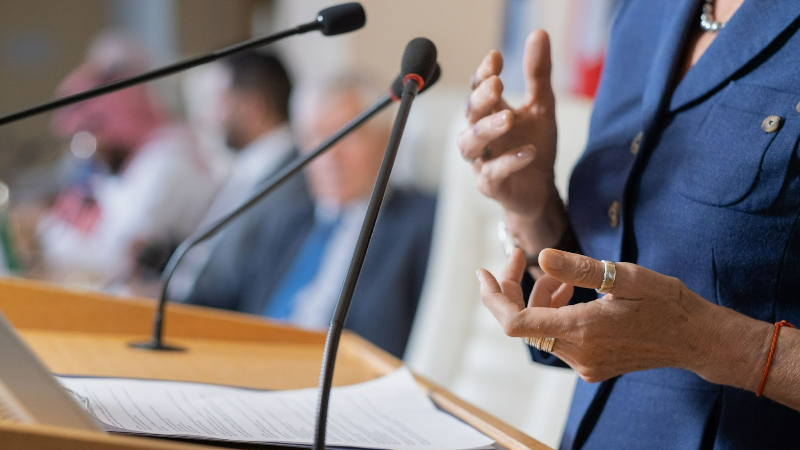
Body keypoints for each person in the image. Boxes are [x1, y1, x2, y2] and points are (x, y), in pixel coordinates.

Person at [461, 1, 800, 449]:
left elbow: (667, 328)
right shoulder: (644, 11)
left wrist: (708, 341)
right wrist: (534, 207)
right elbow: (612, 319)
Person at [187, 76, 437, 358]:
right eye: (315, 137)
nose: (331, 156)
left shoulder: (424, 222)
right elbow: (225, 302)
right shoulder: (286, 219)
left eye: (349, 135)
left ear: (388, 140)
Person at [37, 32, 217, 290]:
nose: (86, 149)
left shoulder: (167, 160)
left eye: (91, 133)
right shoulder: (129, 162)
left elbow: (116, 254)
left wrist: (42, 235)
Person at [167, 51, 299, 301]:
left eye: (216, 101)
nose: (206, 116)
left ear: (251, 107)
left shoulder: (291, 182)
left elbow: (241, 285)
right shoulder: (249, 167)